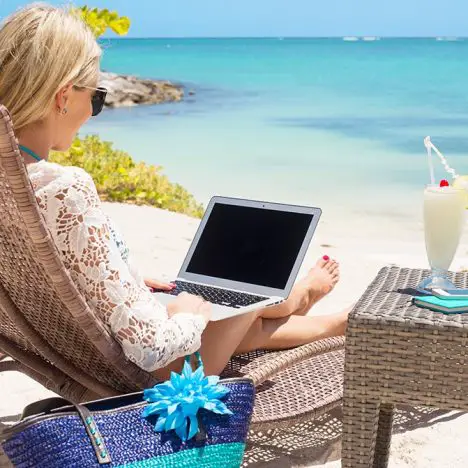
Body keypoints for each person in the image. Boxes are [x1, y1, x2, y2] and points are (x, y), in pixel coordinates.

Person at [0, 4, 349, 380]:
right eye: (97, 98)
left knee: (230, 302)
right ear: (63, 96)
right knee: (246, 290)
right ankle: (295, 300)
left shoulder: (14, 184)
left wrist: (125, 278)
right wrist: (187, 315)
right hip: (161, 372)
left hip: (73, 354)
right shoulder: (63, 187)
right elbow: (153, 347)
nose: (92, 111)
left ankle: (317, 316)